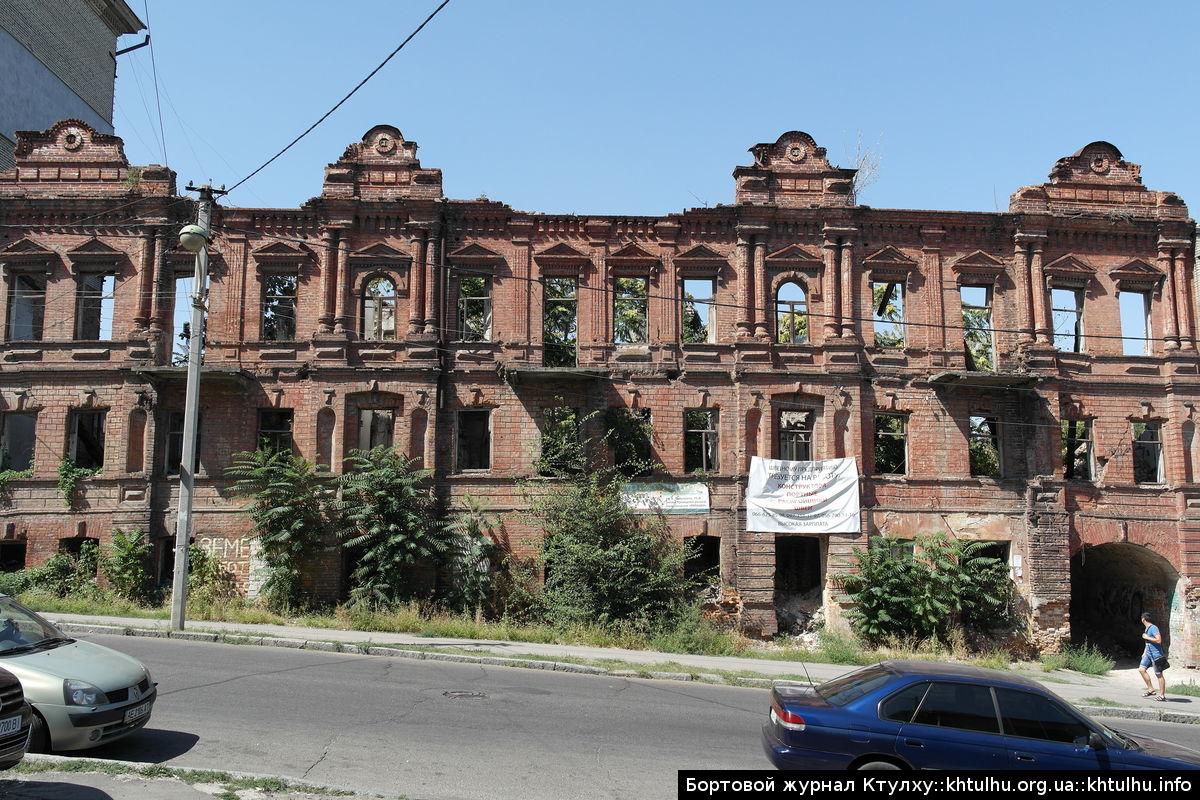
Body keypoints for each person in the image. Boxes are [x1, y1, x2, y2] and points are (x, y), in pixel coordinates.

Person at [1138, 612, 1167, 701]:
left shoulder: (1154, 628)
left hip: (1156, 655)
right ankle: (1151, 689)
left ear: (1143, 619)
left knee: (1159, 674)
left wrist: (1147, 637)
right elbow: (1148, 644)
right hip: (1148, 654)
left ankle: (1162, 695)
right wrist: (1144, 653)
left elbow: (1158, 640)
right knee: (1141, 670)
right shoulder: (1147, 629)